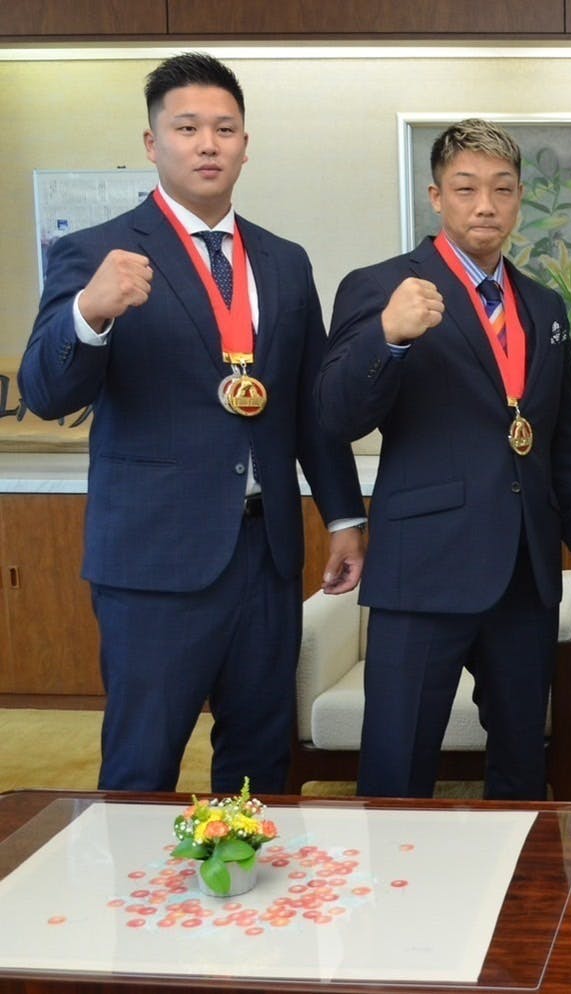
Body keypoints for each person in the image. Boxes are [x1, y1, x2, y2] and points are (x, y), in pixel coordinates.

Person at [18, 52, 366, 795]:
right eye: (187, 128)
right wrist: (90, 312)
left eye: (224, 128)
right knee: (141, 770)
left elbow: (309, 406)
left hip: (266, 555)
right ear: (153, 143)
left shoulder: (283, 261)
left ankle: (252, 878)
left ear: (245, 144)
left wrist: (343, 516)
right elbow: (47, 391)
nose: (208, 144)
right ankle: (132, 882)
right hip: (154, 561)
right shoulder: (95, 252)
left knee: (262, 767)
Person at [316, 119, 571, 801]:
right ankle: (396, 875)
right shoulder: (383, 287)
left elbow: (564, 433)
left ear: (519, 199)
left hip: (525, 572)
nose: (486, 205)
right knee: (397, 767)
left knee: (521, 765)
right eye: (466, 188)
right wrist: (387, 338)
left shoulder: (542, 304)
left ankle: (514, 871)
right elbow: (335, 417)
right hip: (423, 569)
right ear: (436, 197)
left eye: (503, 189)